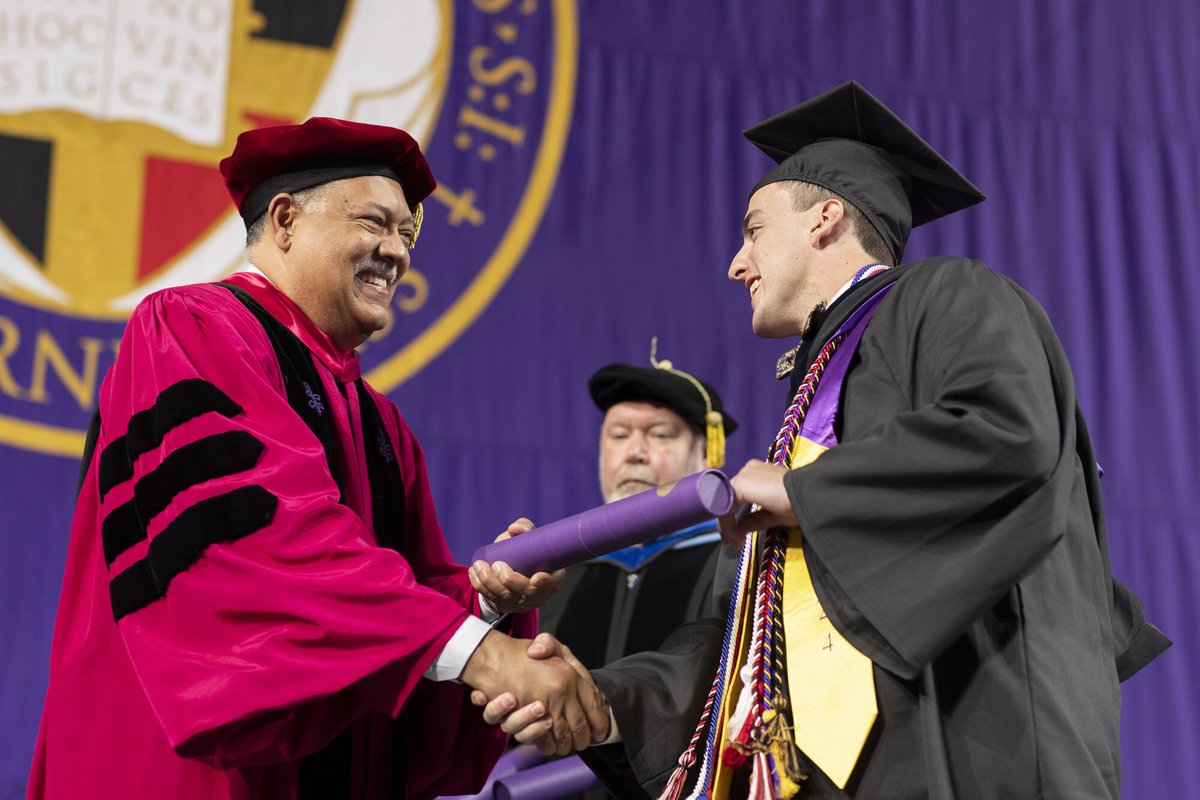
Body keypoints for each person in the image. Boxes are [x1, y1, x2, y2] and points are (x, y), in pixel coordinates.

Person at [478, 81, 1170, 799]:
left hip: (972, 746)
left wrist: (803, 490)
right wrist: (601, 701)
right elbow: (744, 645)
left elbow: (1007, 435)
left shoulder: (949, 296)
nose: (735, 264)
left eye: (752, 230)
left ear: (826, 219)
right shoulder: (797, 424)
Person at [27, 117, 607, 800]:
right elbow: (256, 546)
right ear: (284, 219)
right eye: (375, 223)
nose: (396, 251)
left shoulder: (379, 421)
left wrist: (485, 602)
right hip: (182, 775)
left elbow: (391, 597)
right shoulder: (190, 329)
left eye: (408, 236)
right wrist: (480, 654)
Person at [538, 356, 739, 669]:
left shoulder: (734, 566)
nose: (634, 454)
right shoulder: (559, 575)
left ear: (705, 455)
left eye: (660, 435)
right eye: (619, 436)